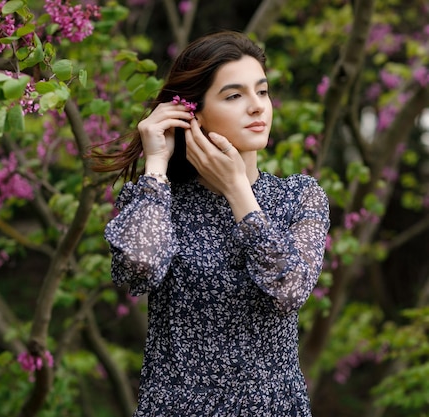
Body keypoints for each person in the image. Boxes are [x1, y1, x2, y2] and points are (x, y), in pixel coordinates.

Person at [92, 30, 330, 416]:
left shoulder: (300, 197)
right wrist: (156, 164)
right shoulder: (158, 201)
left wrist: (238, 190)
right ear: (193, 112)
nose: (257, 107)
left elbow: (289, 290)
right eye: (235, 96)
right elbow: (137, 269)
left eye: (263, 91)